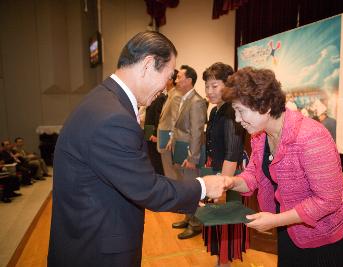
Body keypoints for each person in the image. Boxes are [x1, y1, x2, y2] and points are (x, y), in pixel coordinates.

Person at [47, 31, 228, 267]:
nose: (166, 87)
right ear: (148, 64)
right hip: (97, 249)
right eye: (167, 76)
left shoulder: (105, 100)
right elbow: (146, 187)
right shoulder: (113, 117)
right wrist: (203, 186)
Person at [219, 67, 343, 267]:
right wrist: (229, 182)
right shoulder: (260, 135)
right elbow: (253, 175)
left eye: (240, 111)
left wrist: (275, 220)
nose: (237, 119)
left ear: (265, 106)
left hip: (327, 237)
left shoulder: (311, 136)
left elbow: (329, 199)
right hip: (291, 230)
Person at [202, 62, 247, 266]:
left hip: (228, 176)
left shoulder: (231, 110)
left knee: (226, 223)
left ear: (227, 85)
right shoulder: (215, 110)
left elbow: (232, 153)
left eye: (215, 85)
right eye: (207, 86)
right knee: (216, 222)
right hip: (216, 171)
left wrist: (221, 185)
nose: (209, 91)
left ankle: (224, 263)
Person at [170, 65, 208, 239]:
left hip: (189, 153)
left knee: (192, 188)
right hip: (180, 149)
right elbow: (180, 126)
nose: (176, 80)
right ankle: (188, 218)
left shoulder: (197, 101)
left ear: (189, 80)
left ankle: (196, 224)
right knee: (185, 187)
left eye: (179, 77)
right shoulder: (183, 98)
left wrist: (192, 157)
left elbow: (197, 132)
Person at [157, 69, 181, 180]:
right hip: (165, 139)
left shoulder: (176, 96)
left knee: (171, 174)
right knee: (168, 172)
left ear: (171, 80)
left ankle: (174, 196)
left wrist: (172, 138)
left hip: (169, 141)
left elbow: (176, 119)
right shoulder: (170, 95)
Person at [144, 92, 167, 175]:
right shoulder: (152, 96)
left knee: (155, 158)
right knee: (149, 155)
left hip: (153, 130)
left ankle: (158, 176)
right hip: (148, 128)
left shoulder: (161, 98)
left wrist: (155, 134)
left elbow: (158, 118)